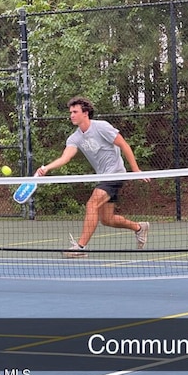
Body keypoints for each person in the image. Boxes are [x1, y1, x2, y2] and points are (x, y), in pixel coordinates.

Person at [37, 97, 150, 257]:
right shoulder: (74, 138)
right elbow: (65, 158)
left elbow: (124, 144)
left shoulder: (102, 127)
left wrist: (136, 170)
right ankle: (139, 227)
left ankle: (80, 247)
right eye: (70, 112)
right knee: (107, 219)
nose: (72, 115)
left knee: (92, 204)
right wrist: (46, 168)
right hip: (103, 177)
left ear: (86, 113)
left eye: (75, 112)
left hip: (116, 173)